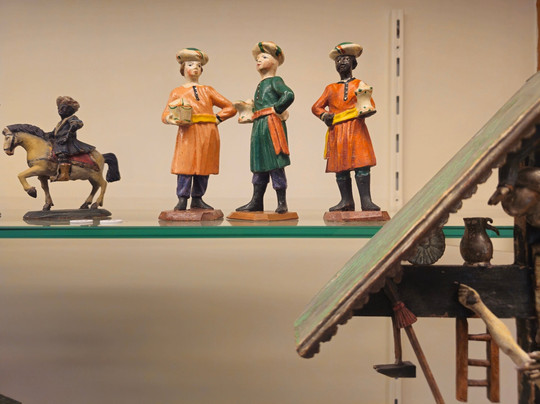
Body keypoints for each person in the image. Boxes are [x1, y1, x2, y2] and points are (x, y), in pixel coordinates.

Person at [162, 48, 236, 210]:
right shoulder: (177, 92)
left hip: (208, 132)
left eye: (198, 65)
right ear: (183, 69)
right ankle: (182, 198)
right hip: (187, 132)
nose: (195, 67)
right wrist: (172, 119)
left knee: (204, 166)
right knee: (185, 165)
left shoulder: (207, 90)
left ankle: (197, 198)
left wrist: (217, 118)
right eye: (190, 64)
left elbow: (230, 107)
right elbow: (165, 114)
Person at [312, 42, 380, 212]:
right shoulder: (331, 88)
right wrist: (324, 115)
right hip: (338, 131)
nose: (341, 62)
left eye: (346, 59)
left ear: (353, 63)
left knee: (361, 164)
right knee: (340, 168)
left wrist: (365, 111)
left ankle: (366, 201)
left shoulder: (359, 84)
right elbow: (316, 107)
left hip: (356, 128)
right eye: (338, 60)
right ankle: (346, 201)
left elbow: (369, 104)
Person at [236, 41, 294, 214]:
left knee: (275, 162)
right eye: (258, 58)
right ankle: (256, 201)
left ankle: (282, 202)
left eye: (264, 57)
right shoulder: (261, 84)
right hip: (259, 126)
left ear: (275, 61)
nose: (259, 60)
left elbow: (288, 94)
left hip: (271, 125)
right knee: (259, 163)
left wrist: (277, 109)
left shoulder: (275, 81)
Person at [51, 96, 95, 181]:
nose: (60, 110)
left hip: (68, 141)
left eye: (63, 108)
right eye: (59, 108)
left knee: (62, 153)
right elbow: (54, 133)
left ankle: (64, 174)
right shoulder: (60, 123)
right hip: (59, 142)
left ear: (70, 110)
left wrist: (71, 130)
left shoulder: (72, 118)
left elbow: (78, 123)